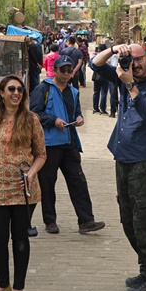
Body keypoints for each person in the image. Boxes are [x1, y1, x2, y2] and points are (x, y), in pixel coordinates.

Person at [90, 43, 146, 291]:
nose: (134, 65)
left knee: (143, 221)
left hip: (143, 163)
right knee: (127, 221)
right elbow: (96, 64)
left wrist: (129, 84)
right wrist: (114, 49)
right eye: (130, 60)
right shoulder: (122, 73)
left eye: (138, 59)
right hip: (122, 159)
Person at [0, 75, 46, 291]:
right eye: (11, 89)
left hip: (22, 190)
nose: (16, 93)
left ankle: (18, 287)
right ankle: (2, 284)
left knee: (19, 239)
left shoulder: (31, 119)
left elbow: (41, 154)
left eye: (20, 89)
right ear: (2, 93)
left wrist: (32, 173)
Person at [30, 56, 105, 235]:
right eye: (62, 70)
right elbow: (33, 114)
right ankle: (50, 221)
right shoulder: (43, 89)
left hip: (69, 142)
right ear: (54, 70)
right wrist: (53, 120)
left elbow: (76, 111)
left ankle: (86, 220)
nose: (65, 74)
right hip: (49, 145)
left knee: (78, 181)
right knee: (47, 184)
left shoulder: (73, 91)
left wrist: (78, 118)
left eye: (69, 70)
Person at [91, 44, 109, 115]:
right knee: (104, 93)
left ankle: (95, 108)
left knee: (96, 92)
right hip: (105, 76)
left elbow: (91, 65)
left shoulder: (95, 56)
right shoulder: (107, 56)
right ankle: (103, 108)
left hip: (96, 76)